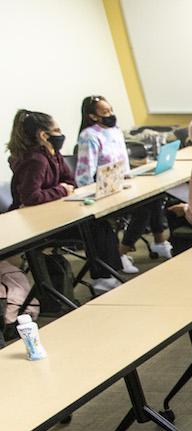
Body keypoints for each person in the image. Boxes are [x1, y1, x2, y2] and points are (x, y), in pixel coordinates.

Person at [6, 109, 123, 294]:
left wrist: (61, 189)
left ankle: (105, 275)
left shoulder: (53, 154)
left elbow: (70, 182)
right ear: (44, 135)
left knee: (101, 225)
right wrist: (60, 190)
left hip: (52, 212)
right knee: (97, 230)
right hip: (36, 223)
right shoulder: (36, 160)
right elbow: (31, 197)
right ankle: (102, 278)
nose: (61, 134)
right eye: (57, 130)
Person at [75, 95, 173, 271]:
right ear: (92, 116)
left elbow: (122, 161)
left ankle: (158, 242)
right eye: (105, 112)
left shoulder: (115, 130)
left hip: (121, 184)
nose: (111, 114)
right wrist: (91, 193)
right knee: (143, 210)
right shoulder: (89, 136)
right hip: (103, 191)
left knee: (155, 198)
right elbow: (84, 172)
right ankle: (122, 253)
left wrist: (128, 176)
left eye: (111, 110)